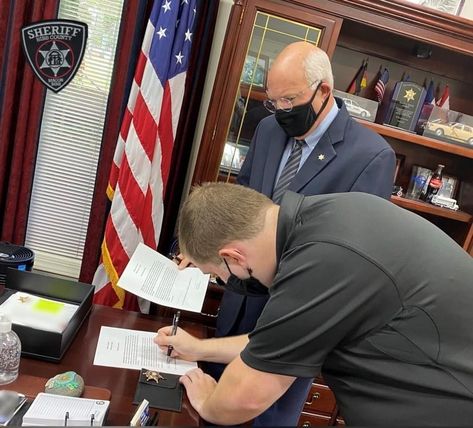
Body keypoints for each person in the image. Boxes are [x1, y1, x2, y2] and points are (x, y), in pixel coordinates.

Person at [156, 182, 473, 426]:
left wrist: (207, 401)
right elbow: (274, 344)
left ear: (232, 257)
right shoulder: (325, 219)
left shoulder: (320, 260)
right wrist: (200, 349)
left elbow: (245, 398)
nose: (227, 283)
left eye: (216, 274)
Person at [199, 41, 396, 425]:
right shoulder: (269, 130)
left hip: (295, 323)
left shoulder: (371, 156)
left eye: (290, 100)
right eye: (274, 101)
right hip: (238, 302)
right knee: (209, 410)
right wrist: (209, 251)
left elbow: (354, 261)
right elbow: (240, 200)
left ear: (324, 89)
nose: (281, 111)